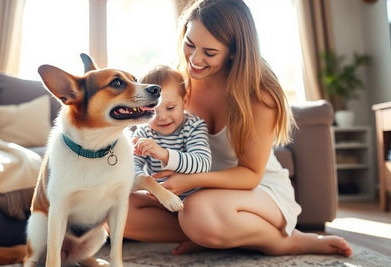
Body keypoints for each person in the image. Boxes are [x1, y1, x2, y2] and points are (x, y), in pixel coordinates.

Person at [124, 0, 352, 257]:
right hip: (199, 194)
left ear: (234, 51)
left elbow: (251, 174)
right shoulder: (181, 83)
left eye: (209, 53)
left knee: (198, 212)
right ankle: (212, 235)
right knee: (120, 209)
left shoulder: (259, 94)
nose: (195, 59)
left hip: (256, 191)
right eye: (190, 44)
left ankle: (287, 242)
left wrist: (190, 180)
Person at [133, 65, 211, 199]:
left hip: (192, 199)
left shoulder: (193, 126)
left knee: (197, 205)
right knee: (128, 199)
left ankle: (181, 218)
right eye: (153, 110)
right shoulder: (144, 132)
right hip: (161, 198)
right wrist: (144, 180)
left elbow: (203, 163)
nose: (162, 117)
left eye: (170, 108)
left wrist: (163, 154)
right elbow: (131, 164)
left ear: (185, 101)